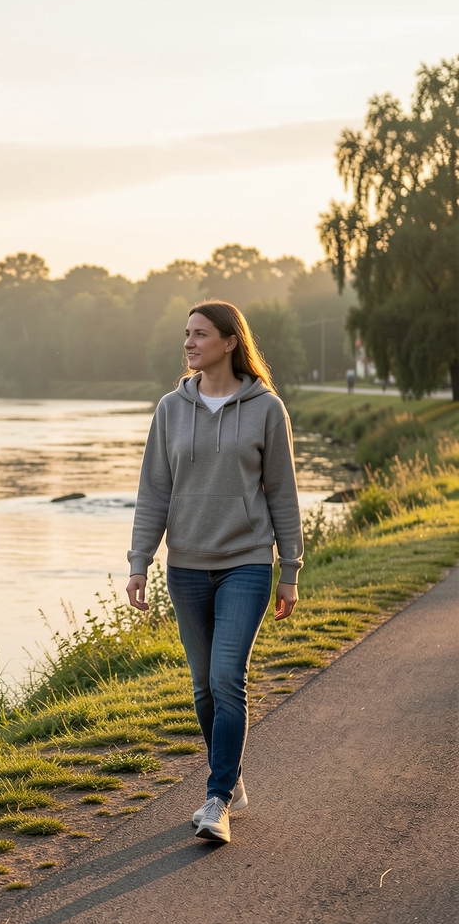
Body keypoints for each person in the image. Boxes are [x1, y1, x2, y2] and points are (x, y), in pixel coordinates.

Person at [126, 300, 302, 843]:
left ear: (230, 341)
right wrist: (139, 561)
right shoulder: (170, 409)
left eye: (200, 334)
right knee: (203, 687)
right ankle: (233, 778)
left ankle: (218, 798)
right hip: (186, 566)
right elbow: (154, 491)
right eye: (187, 334)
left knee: (228, 677)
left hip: (247, 562)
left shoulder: (266, 408)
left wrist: (290, 568)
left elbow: (283, 493)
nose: (189, 343)